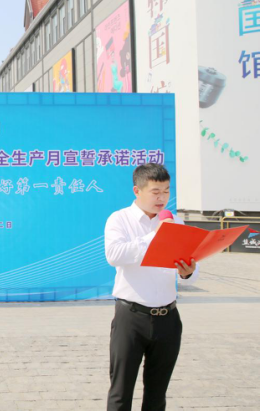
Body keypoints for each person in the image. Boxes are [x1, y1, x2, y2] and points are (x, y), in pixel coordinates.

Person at [105, 163, 199, 410]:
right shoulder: (120, 219)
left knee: (157, 394)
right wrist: (154, 236)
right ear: (137, 190)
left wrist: (188, 272)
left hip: (168, 318)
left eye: (166, 191)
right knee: (120, 392)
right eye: (155, 192)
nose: (162, 198)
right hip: (131, 317)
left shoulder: (175, 221)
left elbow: (192, 269)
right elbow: (114, 255)